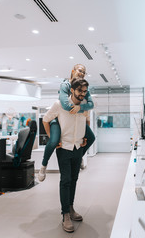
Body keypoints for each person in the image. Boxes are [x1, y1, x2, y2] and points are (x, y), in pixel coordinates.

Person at [42, 78, 89, 233]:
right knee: (66, 180)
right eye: (80, 91)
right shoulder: (59, 105)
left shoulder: (84, 106)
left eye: (84, 91)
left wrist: (85, 138)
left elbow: (87, 121)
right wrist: (52, 138)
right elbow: (45, 120)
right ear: (72, 90)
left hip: (77, 148)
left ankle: (71, 208)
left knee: (74, 179)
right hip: (64, 148)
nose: (83, 94)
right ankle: (65, 215)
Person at [38, 64, 95, 182]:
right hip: (59, 117)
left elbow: (91, 105)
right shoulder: (65, 85)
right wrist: (76, 108)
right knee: (53, 141)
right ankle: (43, 166)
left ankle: (79, 157)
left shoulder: (85, 90)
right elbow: (64, 104)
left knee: (91, 137)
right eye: (80, 71)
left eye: (84, 72)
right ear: (73, 71)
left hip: (76, 116)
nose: (82, 73)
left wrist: (81, 108)